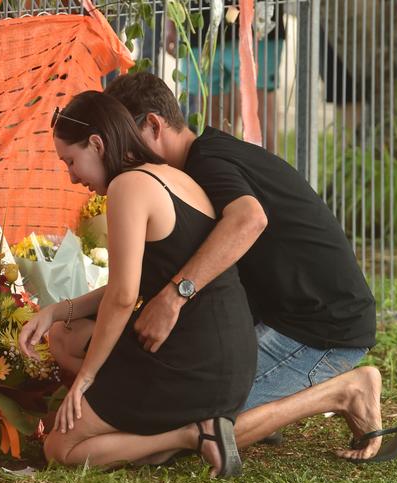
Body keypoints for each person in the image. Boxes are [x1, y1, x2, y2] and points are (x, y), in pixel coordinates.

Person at [99, 71, 377, 414]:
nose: (119, 158)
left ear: (154, 126)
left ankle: (348, 391)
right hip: (282, 318)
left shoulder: (207, 163)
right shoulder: (199, 162)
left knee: (200, 416)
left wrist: (174, 297)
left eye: (122, 141)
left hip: (320, 330)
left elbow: (249, 219)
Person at [21, 90, 259, 477]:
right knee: (64, 335)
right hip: (230, 361)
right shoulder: (171, 176)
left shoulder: (128, 187)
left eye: (71, 162)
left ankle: (191, 436)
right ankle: (164, 437)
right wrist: (55, 311)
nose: (71, 176)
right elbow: (136, 283)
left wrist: (85, 380)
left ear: (97, 144)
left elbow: (123, 296)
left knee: (60, 447)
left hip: (188, 364)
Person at [166, 1, 285, 151]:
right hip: (200, 27)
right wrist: (170, 22)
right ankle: (225, 172)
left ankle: (265, 173)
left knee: (257, 123)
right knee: (211, 124)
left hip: (258, 28)